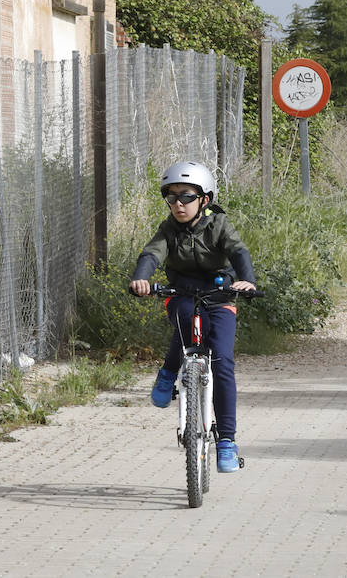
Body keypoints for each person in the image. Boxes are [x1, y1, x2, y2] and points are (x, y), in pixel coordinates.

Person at [129, 161, 256, 473]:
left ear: (204, 199)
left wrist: (247, 280)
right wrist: (141, 278)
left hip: (221, 294)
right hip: (182, 292)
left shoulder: (219, 225)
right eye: (172, 197)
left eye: (186, 196)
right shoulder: (168, 229)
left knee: (223, 361)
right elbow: (151, 254)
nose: (178, 204)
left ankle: (227, 442)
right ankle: (169, 372)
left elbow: (238, 252)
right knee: (185, 320)